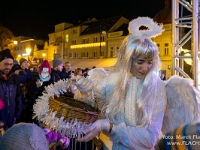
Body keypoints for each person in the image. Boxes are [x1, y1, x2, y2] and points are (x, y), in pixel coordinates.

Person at [75, 17, 167, 149]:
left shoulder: (157, 88)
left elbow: (150, 138)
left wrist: (111, 127)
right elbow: (93, 105)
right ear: (127, 60)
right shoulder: (112, 80)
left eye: (150, 62)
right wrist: (84, 90)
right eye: (140, 62)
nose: (145, 68)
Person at [0, 49, 22, 130]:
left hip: (12, 120)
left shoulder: (14, 78)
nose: (8, 67)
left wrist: (17, 115)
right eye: (6, 64)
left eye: (10, 64)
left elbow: (19, 97)